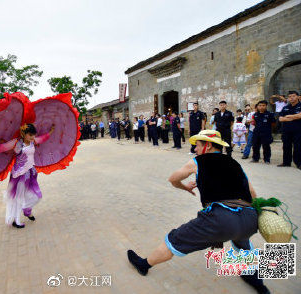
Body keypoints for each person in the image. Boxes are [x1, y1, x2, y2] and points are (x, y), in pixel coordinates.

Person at [127, 129, 270, 294]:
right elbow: (252, 193)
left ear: (207, 146)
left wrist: (185, 187)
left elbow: (173, 179)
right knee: (242, 242)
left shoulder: (198, 161)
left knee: (174, 240)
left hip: (221, 220)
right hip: (250, 218)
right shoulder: (235, 163)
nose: (195, 149)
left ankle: (143, 265)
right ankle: (257, 282)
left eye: (197, 145)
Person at [0, 123, 54, 228]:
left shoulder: (33, 141)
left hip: (31, 173)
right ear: (23, 134)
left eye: (33, 135)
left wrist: (50, 132)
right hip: (19, 175)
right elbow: (0, 148)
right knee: (17, 198)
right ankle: (15, 220)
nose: (33, 137)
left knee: (37, 196)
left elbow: (42, 139)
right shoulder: (16, 143)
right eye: (30, 135)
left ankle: (27, 211)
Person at [278, 91, 301, 169]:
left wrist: (289, 116)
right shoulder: (285, 107)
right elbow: (280, 119)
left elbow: (300, 116)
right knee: (286, 146)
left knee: (298, 147)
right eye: (290, 96)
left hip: (298, 131)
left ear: (298, 97)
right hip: (286, 131)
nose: (291, 98)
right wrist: (293, 118)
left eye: (293, 96)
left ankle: (299, 163)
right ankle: (286, 162)